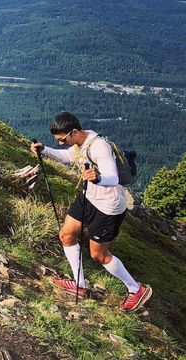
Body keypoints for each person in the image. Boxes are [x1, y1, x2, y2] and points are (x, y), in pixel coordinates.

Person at [30, 112, 152, 311]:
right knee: (67, 235)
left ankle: (135, 289)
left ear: (75, 132)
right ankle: (79, 285)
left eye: (62, 139)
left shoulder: (99, 147)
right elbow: (66, 157)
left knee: (98, 255)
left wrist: (97, 178)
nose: (62, 143)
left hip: (109, 206)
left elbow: (112, 177)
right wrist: (44, 150)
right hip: (89, 197)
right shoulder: (78, 145)